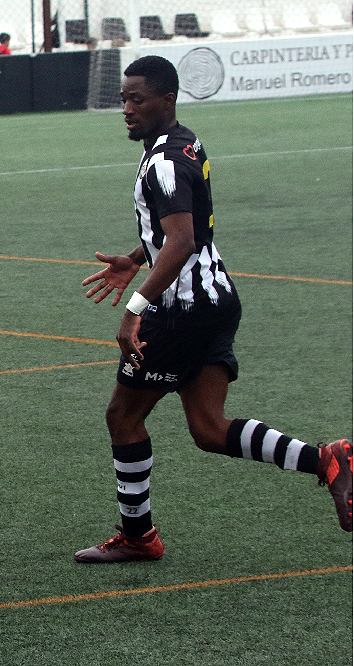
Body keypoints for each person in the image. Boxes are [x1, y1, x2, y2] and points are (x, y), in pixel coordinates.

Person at [75, 55, 353, 564]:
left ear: (168, 98)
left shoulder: (163, 160)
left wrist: (135, 306)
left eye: (137, 99)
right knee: (208, 428)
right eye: (123, 99)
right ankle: (327, 460)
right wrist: (138, 256)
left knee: (123, 416)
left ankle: (139, 536)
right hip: (216, 301)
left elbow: (180, 243)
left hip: (180, 312)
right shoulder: (186, 141)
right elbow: (187, 227)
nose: (127, 108)